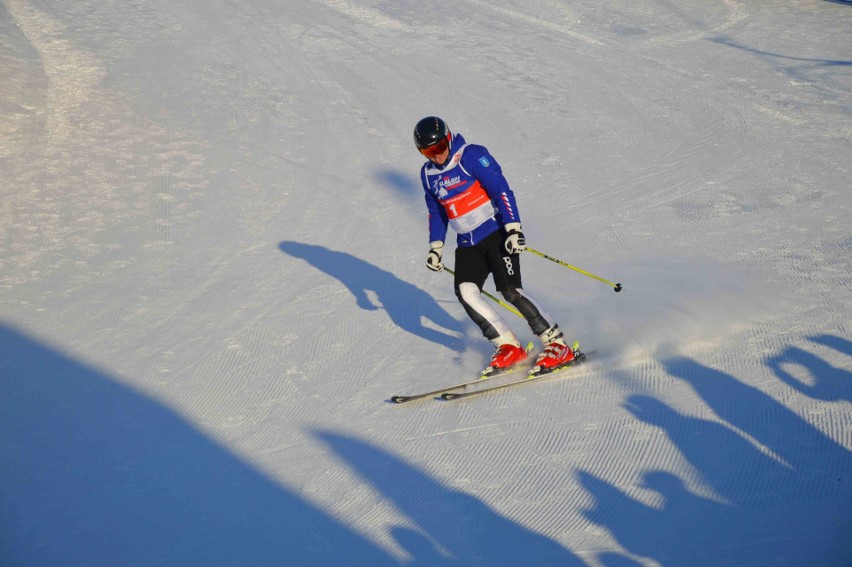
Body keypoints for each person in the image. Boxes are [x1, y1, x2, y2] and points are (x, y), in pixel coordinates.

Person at [413, 116, 575, 376]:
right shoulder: (428, 174)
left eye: (440, 147)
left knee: (510, 291)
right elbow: (436, 211)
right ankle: (508, 346)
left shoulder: (471, 156)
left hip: (495, 232)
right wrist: (436, 247)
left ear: (449, 137)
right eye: (428, 151)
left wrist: (513, 228)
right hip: (467, 242)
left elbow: (501, 190)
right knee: (466, 292)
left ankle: (557, 344)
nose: (436, 155)